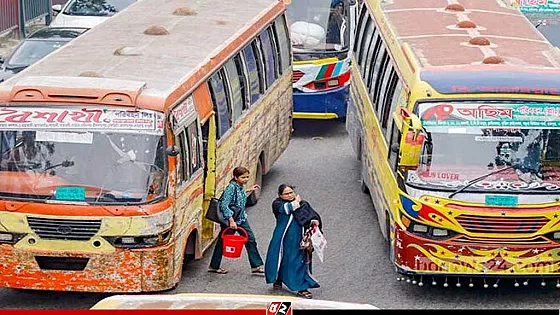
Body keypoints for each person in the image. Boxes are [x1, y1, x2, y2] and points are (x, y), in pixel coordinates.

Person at [265, 184, 320, 299]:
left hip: (299, 239)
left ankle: (301, 287)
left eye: (291, 192)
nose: (290, 195)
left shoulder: (303, 204)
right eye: (286, 193)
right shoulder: (277, 204)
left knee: (298, 261)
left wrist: (314, 223)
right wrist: (296, 202)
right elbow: (289, 208)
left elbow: (312, 216)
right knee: (281, 258)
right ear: (280, 195)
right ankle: (278, 278)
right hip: (283, 238)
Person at [208, 166, 264, 274]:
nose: (246, 179)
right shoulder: (231, 188)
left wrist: (249, 190)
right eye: (243, 177)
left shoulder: (240, 186)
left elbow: (239, 197)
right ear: (235, 177)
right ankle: (214, 266)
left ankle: (256, 265)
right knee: (223, 241)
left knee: (250, 239)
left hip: (241, 218)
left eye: (247, 177)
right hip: (231, 220)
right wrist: (231, 220)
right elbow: (224, 205)